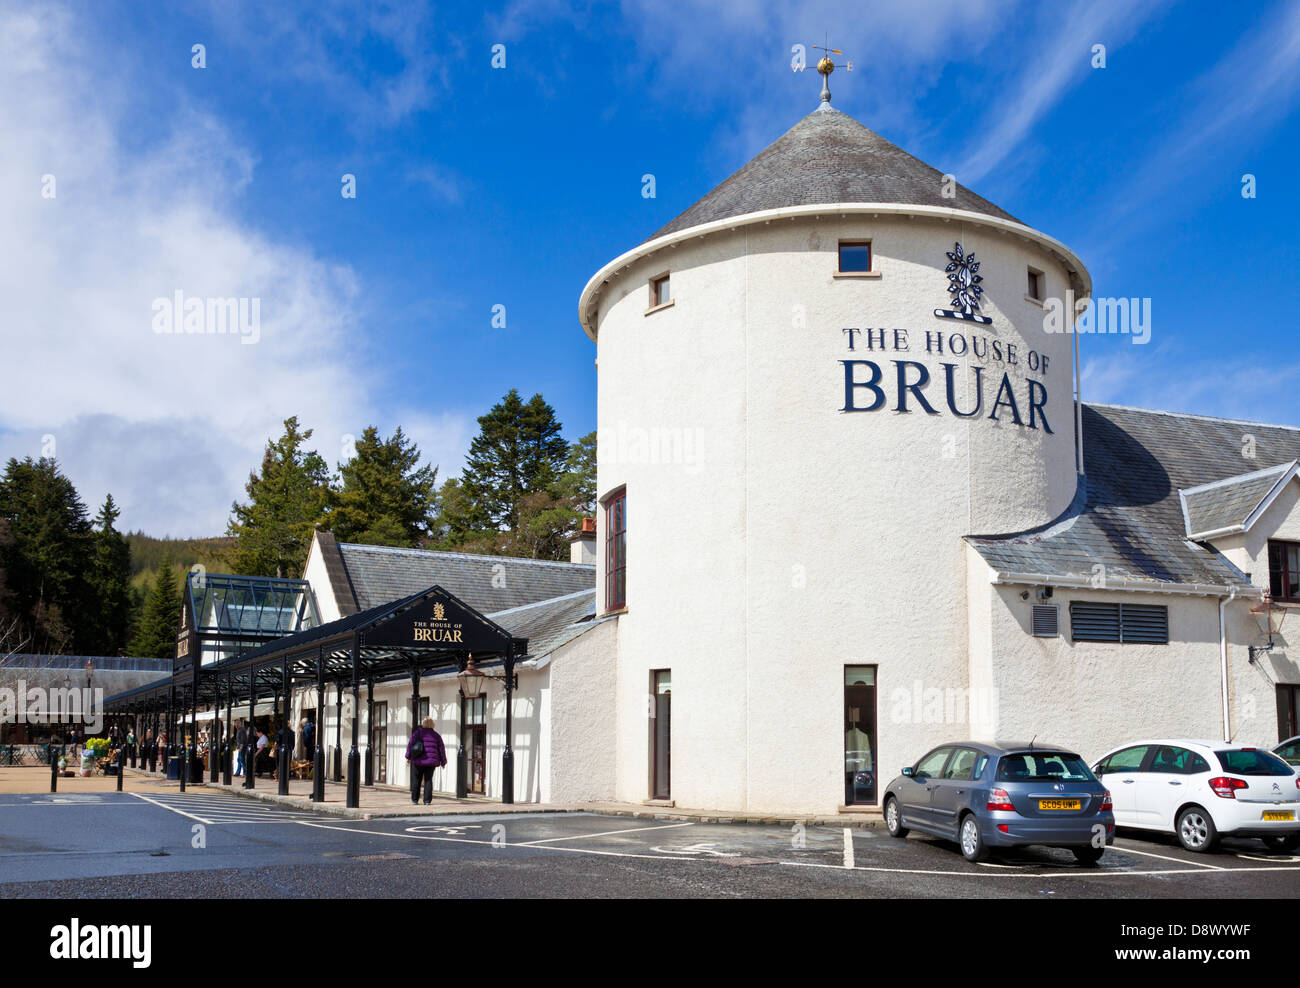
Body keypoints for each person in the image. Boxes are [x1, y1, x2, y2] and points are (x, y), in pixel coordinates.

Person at [405, 717, 447, 805]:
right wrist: (443, 761)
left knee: (416, 780)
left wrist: (408, 757)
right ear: (432, 724)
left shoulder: (417, 733)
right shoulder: (436, 735)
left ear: (423, 724)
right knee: (428, 780)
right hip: (431, 762)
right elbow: (441, 749)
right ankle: (427, 801)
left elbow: (410, 745)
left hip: (418, 761)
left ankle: (415, 799)